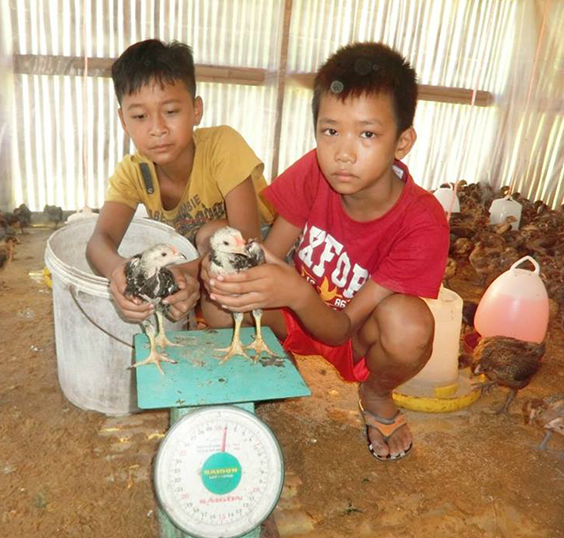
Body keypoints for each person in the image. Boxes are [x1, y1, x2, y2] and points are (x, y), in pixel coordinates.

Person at [204, 42, 449, 461]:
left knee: (410, 326)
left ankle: (375, 395)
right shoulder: (314, 171)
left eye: (367, 134)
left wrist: (295, 292)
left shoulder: (422, 221)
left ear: (403, 141)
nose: (344, 153)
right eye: (330, 131)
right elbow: (271, 251)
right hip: (298, 314)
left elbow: (339, 328)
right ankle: (277, 355)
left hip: (354, 334)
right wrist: (233, 274)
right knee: (216, 306)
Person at [86, 39, 274, 324]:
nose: (157, 129)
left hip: (265, 252)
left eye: (171, 112)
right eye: (139, 116)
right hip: (206, 264)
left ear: (196, 110)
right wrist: (123, 275)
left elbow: (245, 241)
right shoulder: (132, 172)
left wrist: (189, 273)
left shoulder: (222, 146)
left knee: (214, 278)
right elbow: (99, 242)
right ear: (124, 121)